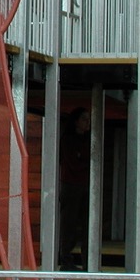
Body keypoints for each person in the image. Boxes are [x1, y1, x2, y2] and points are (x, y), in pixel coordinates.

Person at [58, 106, 91, 271]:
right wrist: (85, 160)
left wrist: (83, 158)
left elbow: (84, 158)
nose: (88, 123)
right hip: (70, 185)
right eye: (84, 119)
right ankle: (66, 260)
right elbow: (74, 162)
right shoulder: (68, 139)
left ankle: (88, 262)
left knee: (87, 223)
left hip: (84, 185)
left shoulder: (88, 139)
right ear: (76, 121)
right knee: (68, 223)